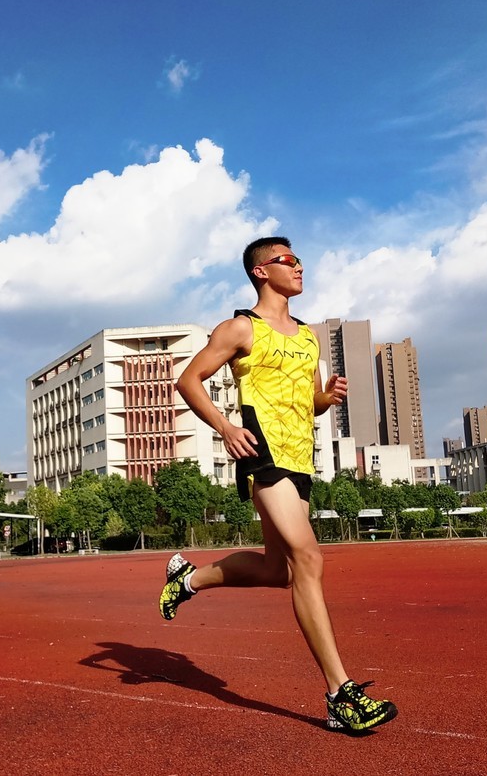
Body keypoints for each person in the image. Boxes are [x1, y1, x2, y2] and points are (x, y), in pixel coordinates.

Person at [158, 236, 398, 733]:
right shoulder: (241, 327)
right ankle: (340, 693)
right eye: (288, 261)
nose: (300, 267)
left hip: (300, 461)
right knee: (308, 558)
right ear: (262, 272)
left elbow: (305, 403)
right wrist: (226, 428)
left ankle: (189, 579)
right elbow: (189, 380)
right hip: (263, 456)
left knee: (279, 571)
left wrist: (326, 399)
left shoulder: (309, 337)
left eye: (300, 259)